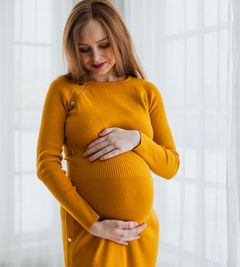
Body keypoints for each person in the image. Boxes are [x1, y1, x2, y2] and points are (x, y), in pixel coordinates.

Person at [36, 0, 180, 266]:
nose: (96, 57)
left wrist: (137, 139)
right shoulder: (64, 90)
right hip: (91, 234)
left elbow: (170, 166)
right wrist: (93, 224)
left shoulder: (146, 92)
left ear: (120, 39)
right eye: (84, 50)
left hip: (140, 234)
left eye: (104, 45)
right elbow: (46, 165)